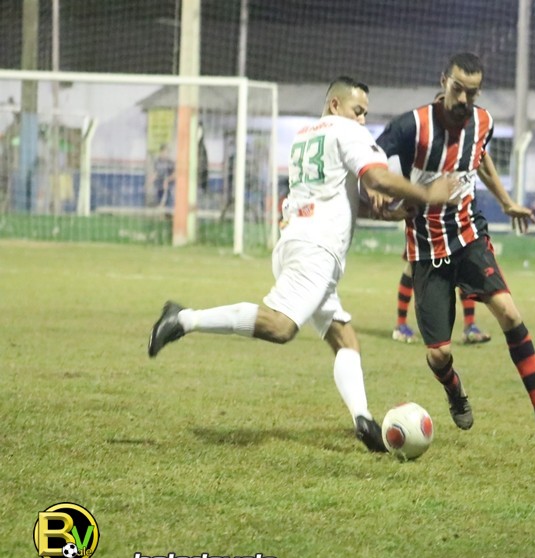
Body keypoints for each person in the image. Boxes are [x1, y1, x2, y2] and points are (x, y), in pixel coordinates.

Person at [148, 76, 456, 453]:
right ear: (335, 105)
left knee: (344, 337)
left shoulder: (306, 136)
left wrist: (389, 213)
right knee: (280, 326)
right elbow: (378, 177)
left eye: (365, 114)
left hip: (297, 240)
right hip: (316, 249)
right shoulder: (347, 131)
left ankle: (364, 421)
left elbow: (340, 197)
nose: (362, 120)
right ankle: (183, 319)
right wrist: (427, 193)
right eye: (358, 110)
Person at [376, 52, 535, 447]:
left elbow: (480, 158)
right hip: (427, 250)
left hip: (469, 238)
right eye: (458, 89)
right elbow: (372, 159)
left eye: (473, 92)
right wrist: (380, 194)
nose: (464, 99)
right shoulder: (413, 125)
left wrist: (507, 202)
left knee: (509, 313)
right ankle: (454, 389)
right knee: (438, 355)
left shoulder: (482, 122)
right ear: (443, 82)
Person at [392, 91, 491, 346]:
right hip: (425, 223)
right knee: (412, 268)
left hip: (456, 221)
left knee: (464, 267)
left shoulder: (464, 143)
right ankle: (401, 324)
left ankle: (470, 326)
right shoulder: (425, 141)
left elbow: (481, 163)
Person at [152, 144, 176, 208]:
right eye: (163, 152)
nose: (165, 154)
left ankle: (168, 209)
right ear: (161, 152)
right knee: (159, 199)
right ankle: (160, 207)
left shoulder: (170, 162)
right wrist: (152, 178)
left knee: (169, 202)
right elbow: (155, 172)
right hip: (160, 185)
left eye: (166, 152)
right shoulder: (157, 162)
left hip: (169, 186)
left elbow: (175, 174)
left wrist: (167, 180)